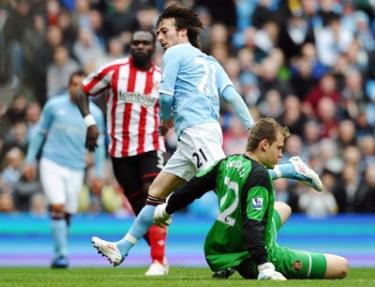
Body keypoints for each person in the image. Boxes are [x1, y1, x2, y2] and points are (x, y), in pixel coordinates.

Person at [86, 4, 322, 270]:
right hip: (197, 136)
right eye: (158, 32)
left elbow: (165, 97)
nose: (160, 38)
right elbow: (232, 95)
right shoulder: (210, 61)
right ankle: (122, 248)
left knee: (230, 182)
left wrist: (165, 119)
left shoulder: (174, 54)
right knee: (155, 193)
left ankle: (291, 169)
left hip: (197, 133)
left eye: (164, 31)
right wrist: (251, 127)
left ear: (182, 32)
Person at [153, 118, 348, 280]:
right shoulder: (259, 176)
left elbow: (193, 187)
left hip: (222, 245)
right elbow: (252, 225)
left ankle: (229, 265)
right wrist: (265, 266)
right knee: (342, 267)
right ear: (264, 145)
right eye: (278, 148)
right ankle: (251, 262)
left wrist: (167, 209)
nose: (280, 154)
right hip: (254, 256)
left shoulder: (228, 162)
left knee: (284, 208)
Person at [76, 29, 168, 276]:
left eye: (145, 43)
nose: (139, 46)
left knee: (154, 196)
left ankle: (157, 261)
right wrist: (89, 123)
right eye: (135, 43)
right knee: (141, 208)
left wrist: (170, 122)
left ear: (153, 48)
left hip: (151, 146)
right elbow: (82, 89)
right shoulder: (114, 70)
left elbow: (175, 108)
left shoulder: (163, 78)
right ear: (131, 46)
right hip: (119, 151)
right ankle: (159, 256)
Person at [23, 70, 106, 268]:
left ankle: (59, 249)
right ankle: (62, 255)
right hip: (51, 163)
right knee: (58, 206)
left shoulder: (95, 114)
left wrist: (99, 174)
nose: (77, 88)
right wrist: (29, 160)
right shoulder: (54, 106)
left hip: (77, 168)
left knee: (68, 212)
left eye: (81, 85)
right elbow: (39, 134)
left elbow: (99, 146)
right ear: (68, 86)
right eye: (74, 84)